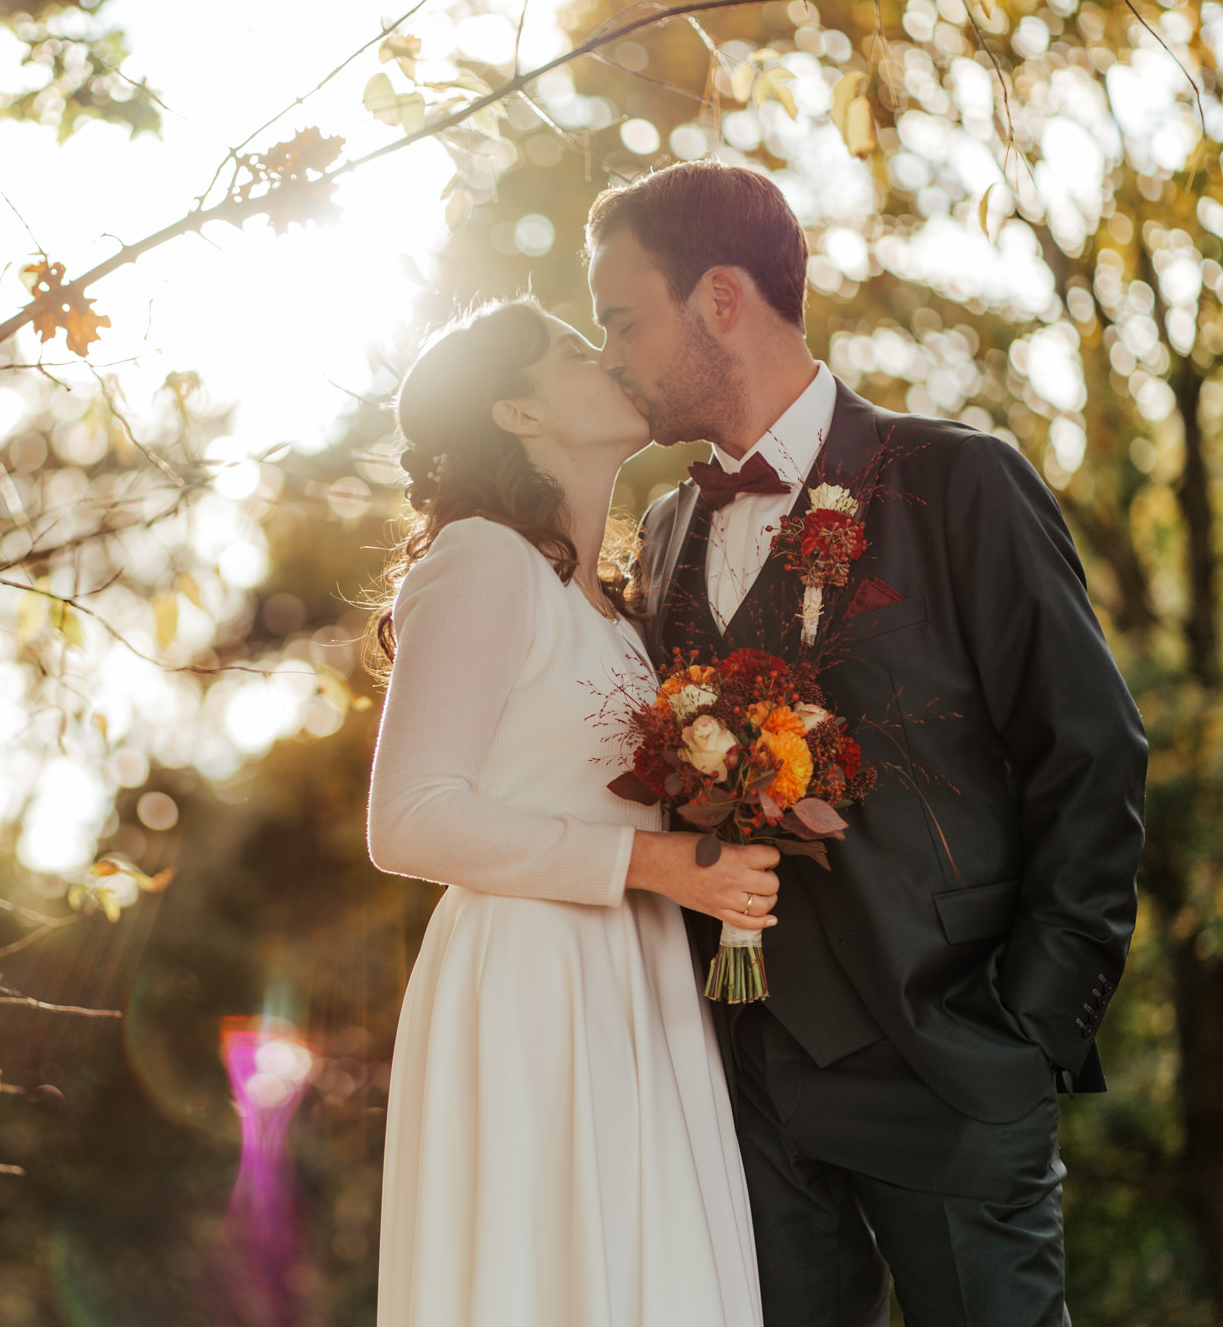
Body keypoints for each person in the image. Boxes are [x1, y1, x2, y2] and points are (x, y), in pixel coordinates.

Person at [587, 159, 1147, 1326]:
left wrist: (1029, 1032)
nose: (608, 356)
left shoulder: (960, 482)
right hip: (733, 1090)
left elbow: (1088, 754)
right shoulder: (663, 526)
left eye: (621, 319)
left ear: (721, 299)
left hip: (947, 1062)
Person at [365, 296, 778, 1327]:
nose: (604, 357)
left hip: (631, 978)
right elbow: (407, 817)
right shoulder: (478, 560)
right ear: (513, 414)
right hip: (531, 985)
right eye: (566, 349)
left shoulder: (607, 606)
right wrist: (651, 867)